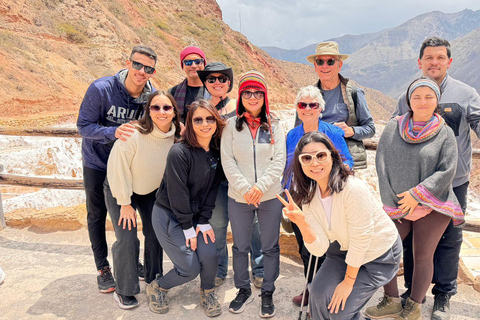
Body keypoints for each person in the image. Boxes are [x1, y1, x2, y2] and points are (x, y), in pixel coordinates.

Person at [392, 37, 480, 320]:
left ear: (449, 62)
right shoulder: (409, 94)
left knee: (450, 240)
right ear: (420, 62)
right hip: (413, 184)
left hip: (452, 183)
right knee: (410, 242)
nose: (434, 62)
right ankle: (412, 293)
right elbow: (396, 133)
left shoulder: (466, 94)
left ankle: (443, 295)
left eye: (440, 57)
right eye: (428, 58)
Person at [366, 77, 464, 320]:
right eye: (417, 96)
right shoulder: (393, 128)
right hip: (398, 205)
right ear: (409, 100)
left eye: (429, 96)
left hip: (434, 205)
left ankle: (414, 306)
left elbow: (447, 170)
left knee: (422, 255)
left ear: (437, 101)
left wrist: (418, 197)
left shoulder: (445, 133)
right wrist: (400, 205)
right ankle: (391, 300)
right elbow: (382, 166)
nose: (422, 101)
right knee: (385, 249)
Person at [277, 131, 401, 320]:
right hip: (343, 248)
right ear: (300, 163)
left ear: (332, 156)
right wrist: (302, 223)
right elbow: (319, 249)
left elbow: (362, 238)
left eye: (321, 155)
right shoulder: (309, 196)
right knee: (317, 296)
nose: (314, 163)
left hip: (377, 253)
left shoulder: (351, 189)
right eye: (307, 158)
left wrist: (348, 283)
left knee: (339, 313)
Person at [77, 45, 157, 293]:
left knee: (128, 217)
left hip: (128, 167)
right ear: (128, 62)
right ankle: (103, 268)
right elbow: (83, 125)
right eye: (137, 64)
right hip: (98, 163)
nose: (141, 71)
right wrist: (113, 132)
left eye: (148, 68)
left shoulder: (150, 97)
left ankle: (132, 262)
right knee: (97, 215)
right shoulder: (102, 89)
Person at [146, 100, 225, 317]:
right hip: (169, 216)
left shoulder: (217, 153)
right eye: (198, 119)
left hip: (195, 217)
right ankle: (158, 287)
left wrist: (203, 221)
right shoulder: (179, 152)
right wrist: (188, 228)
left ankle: (207, 292)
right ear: (189, 123)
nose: (205, 124)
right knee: (189, 269)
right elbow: (177, 194)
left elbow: (212, 190)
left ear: (216, 121)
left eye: (209, 118)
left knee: (210, 254)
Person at [105, 91, 181, 309]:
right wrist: (124, 202)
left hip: (149, 190)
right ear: (148, 110)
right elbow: (117, 168)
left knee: (155, 233)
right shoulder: (133, 133)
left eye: (166, 107)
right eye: (155, 107)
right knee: (128, 238)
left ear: (174, 111)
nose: (161, 112)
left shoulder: (175, 135)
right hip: (120, 188)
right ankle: (124, 290)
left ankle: (153, 280)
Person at [221, 71, 286, 317]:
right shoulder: (230, 126)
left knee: (270, 246)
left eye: (258, 92)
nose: (253, 97)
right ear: (241, 96)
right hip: (240, 197)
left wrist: (260, 188)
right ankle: (243, 289)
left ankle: (267, 290)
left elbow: (279, 160)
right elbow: (228, 160)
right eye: (247, 92)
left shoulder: (276, 125)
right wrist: (246, 189)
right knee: (240, 246)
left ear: (264, 96)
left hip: (269, 196)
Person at [285, 85, 353, 307]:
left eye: (312, 105)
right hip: (299, 197)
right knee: (305, 247)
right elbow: (287, 166)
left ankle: (324, 294)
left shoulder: (332, 133)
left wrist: (330, 180)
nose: (307, 108)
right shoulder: (292, 135)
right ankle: (310, 289)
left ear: (320, 108)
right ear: (297, 108)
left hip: (325, 197)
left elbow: (347, 162)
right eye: (302, 104)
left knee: (326, 248)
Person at [198, 62, 264, 288]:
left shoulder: (240, 108)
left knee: (252, 224)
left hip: (242, 176)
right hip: (213, 178)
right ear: (205, 83)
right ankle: (219, 269)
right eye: (212, 79)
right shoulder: (200, 109)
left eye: (222, 79)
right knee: (217, 225)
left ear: (229, 83)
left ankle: (259, 267)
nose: (217, 82)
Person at [302, 41, 375, 169]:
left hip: (345, 163)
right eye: (320, 62)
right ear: (315, 65)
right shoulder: (307, 96)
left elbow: (370, 128)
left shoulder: (354, 93)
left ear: (339, 65)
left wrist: (351, 131)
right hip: (316, 164)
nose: (325, 66)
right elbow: (299, 130)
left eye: (330, 61)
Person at [169, 46, 210, 123]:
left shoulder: (213, 90)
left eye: (198, 62)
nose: (194, 66)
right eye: (188, 62)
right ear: (183, 66)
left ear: (204, 64)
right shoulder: (173, 92)